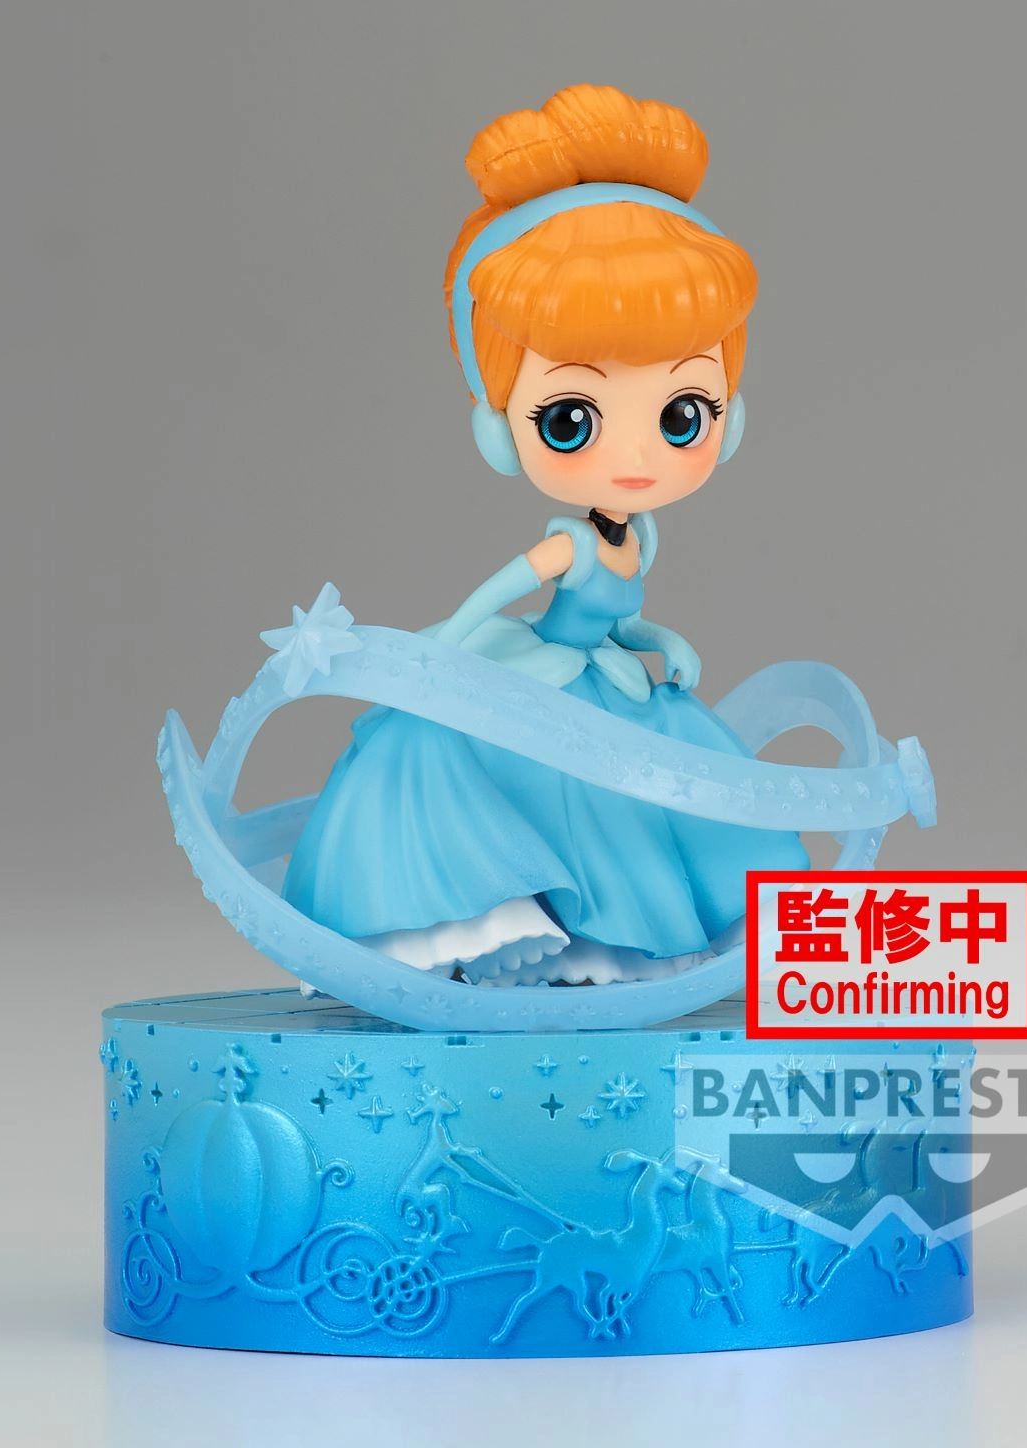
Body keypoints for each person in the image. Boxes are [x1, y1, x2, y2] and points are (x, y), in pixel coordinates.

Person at [282, 85, 809, 985]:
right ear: (500, 429)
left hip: (607, 674)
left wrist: (666, 642)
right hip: (541, 672)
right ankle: (500, 925)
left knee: (670, 772)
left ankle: (648, 938)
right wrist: (441, 656)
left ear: (732, 418)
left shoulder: (638, 537)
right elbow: (498, 595)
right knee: (518, 774)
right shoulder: (570, 544)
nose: (635, 457)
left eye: (681, 414)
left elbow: (622, 621)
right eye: (572, 419)